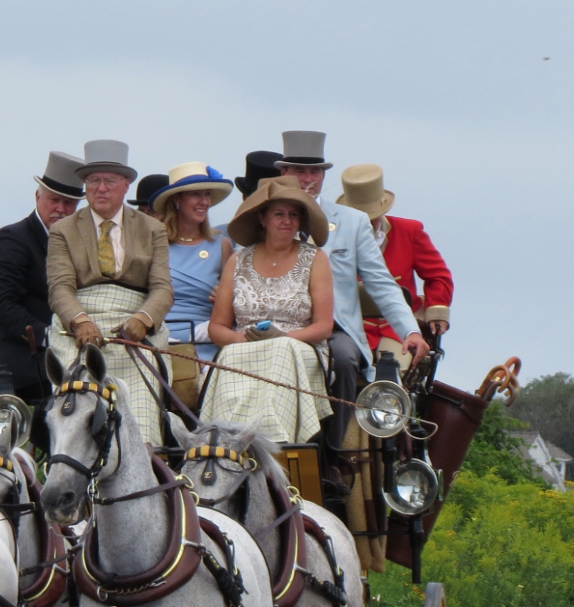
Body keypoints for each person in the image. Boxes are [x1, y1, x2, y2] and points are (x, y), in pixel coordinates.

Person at [275, 131, 428, 446]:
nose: (307, 178)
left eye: (315, 171)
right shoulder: (267, 218)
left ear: (323, 175)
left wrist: (410, 331)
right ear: (283, 174)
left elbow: (382, 283)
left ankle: (330, 455)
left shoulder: (352, 221)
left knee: (344, 360)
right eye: (298, 171)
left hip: (335, 325)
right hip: (276, 321)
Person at [46, 139, 172, 445]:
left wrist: (143, 320)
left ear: (126, 185)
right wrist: (79, 320)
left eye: (109, 180)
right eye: (93, 180)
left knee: (140, 414)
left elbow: (162, 288)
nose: (100, 188)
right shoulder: (63, 230)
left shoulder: (152, 229)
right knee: (75, 405)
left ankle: (145, 460)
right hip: (78, 326)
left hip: (134, 327)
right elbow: (60, 286)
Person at [199, 177, 335, 443]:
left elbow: (324, 326)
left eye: (294, 215)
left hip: (298, 347)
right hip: (245, 345)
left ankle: (275, 439)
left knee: (280, 351)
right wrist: (242, 340)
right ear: (263, 218)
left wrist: (282, 338)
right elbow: (217, 328)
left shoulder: (315, 258)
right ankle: (225, 440)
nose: (287, 221)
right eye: (279, 214)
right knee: (229, 354)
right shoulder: (238, 260)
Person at [0, 151, 84, 403]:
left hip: (69, 371)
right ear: (38, 196)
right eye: (54, 200)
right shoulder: (11, 240)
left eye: (69, 203)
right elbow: (5, 308)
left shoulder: (82, 246)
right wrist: (56, 337)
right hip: (20, 372)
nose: (61, 209)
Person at [335, 163, 453, 370]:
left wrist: (436, 309)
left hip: (397, 329)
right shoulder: (333, 237)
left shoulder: (409, 231)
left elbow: (439, 276)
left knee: (392, 372)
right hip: (351, 328)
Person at [148, 162, 234, 360]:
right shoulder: (155, 244)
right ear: (177, 199)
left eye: (207, 194)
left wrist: (226, 297)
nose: (204, 201)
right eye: (196, 194)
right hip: (157, 339)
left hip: (204, 340)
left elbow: (234, 303)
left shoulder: (222, 245)